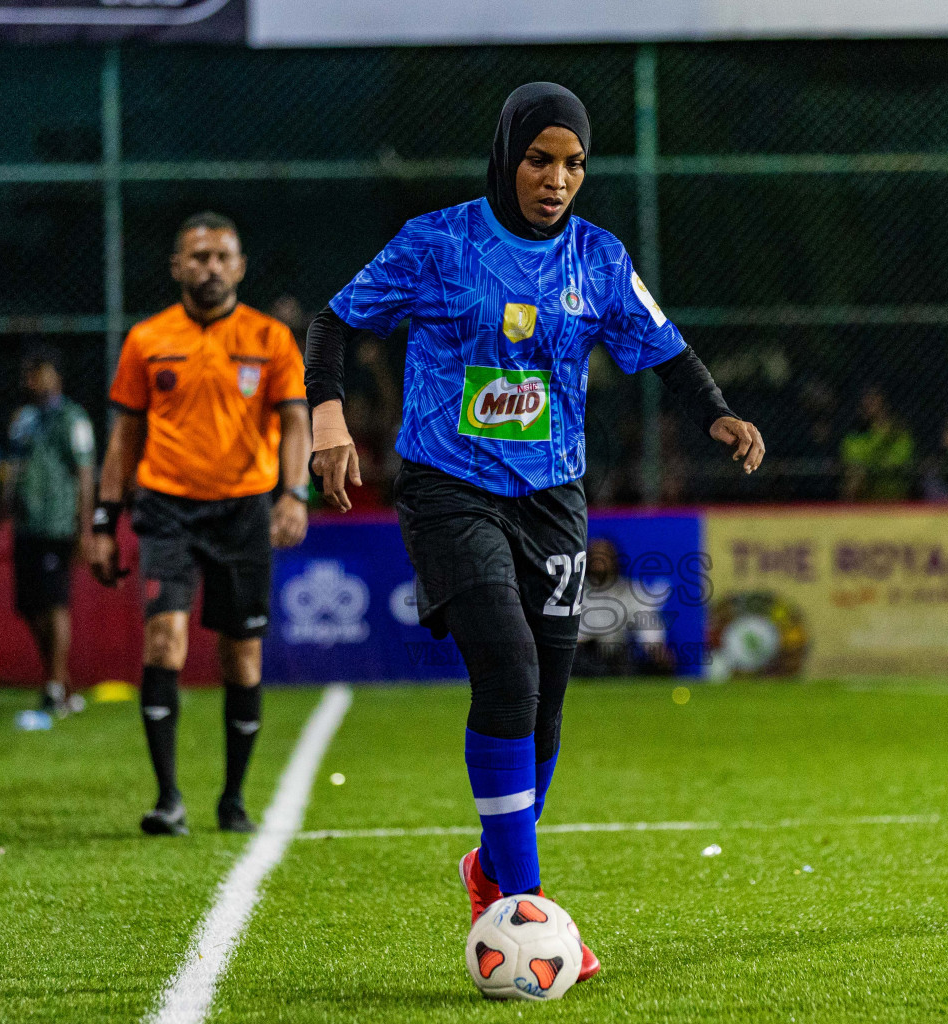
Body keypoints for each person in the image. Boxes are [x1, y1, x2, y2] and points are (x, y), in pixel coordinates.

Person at [305, 83, 765, 982]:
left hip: (553, 497)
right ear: (507, 156)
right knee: (508, 669)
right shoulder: (438, 243)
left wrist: (715, 412)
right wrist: (327, 418)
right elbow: (332, 322)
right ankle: (531, 908)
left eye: (574, 164)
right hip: (449, 488)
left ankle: (492, 868)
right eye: (539, 159)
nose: (557, 180)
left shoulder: (597, 257)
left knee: (547, 702)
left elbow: (661, 341)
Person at [88, 211, 310, 837]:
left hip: (244, 509)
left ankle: (233, 800)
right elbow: (125, 436)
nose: (210, 267)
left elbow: (295, 421)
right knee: (166, 642)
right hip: (166, 508)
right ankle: (168, 800)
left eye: (221, 257)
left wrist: (293, 494)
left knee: (242, 660)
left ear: (239, 267)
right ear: (177, 267)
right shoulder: (147, 339)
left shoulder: (270, 339)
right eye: (198, 256)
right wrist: (104, 520)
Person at [0, 347, 97, 713]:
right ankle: (59, 681)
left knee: (55, 604)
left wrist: (83, 528)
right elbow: (12, 474)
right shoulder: (23, 420)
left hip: (59, 525)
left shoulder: (73, 419)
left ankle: (55, 685)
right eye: (30, 374)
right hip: (27, 524)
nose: (34, 381)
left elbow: (85, 474)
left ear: (56, 377)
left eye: (40, 373)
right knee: (28, 607)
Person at [573, 538, 673, 677]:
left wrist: (656, 647)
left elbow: (647, 624)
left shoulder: (629, 590)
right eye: (595, 555)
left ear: (615, 560)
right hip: (581, 655)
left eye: (605, 556)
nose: (599, 560)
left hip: (616, 657)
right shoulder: (575, 591)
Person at [840, 386, 914, 501]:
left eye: (873, 401)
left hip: (895, 499)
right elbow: (854, 464)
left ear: (885, 404)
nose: (869, 406)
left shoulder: (900, 433)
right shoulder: (854, 437)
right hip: (864, 499)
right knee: (855, 478)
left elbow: (901, 460)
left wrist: (871, 464)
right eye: (866, 403)